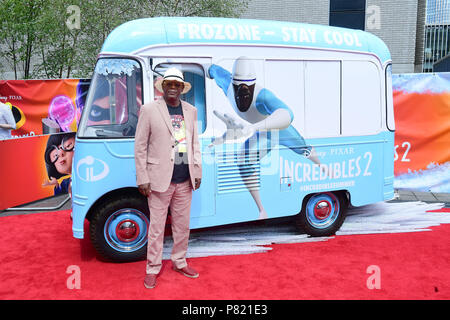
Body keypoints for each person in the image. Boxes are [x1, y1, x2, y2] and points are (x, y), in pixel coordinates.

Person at [208, 57, 321, 219]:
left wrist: (253, 127)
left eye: (247, 87)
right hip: (262, 131)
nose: (242, 92)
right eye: (238, 86)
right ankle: (261, 209)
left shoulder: (264, 97)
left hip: (277, 128)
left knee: (303, 148)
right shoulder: (226, 83)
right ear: (232, 84)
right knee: (244, 160)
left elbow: (287, 114)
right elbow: (211, 69)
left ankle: (324, 168)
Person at [134, 67, 202, 289]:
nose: (173, 88)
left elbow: (194, 144)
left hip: (184, 179)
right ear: (162, 86)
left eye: (177, 84)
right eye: (169, 84)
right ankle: (152, 268)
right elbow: (140, 146)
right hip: (158, 180)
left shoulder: (191, 111)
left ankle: (179, 261)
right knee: (156, 228)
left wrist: (197, 170)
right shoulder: (149, 109)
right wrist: (142, 177)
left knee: (182, 226)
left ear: (182, 88)